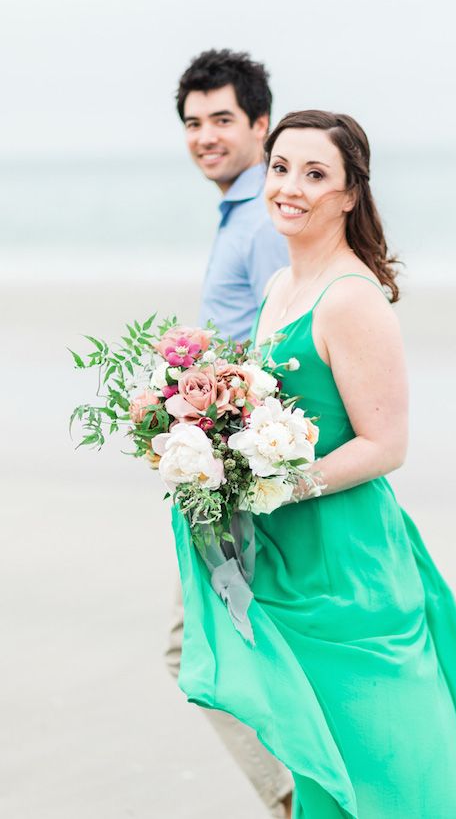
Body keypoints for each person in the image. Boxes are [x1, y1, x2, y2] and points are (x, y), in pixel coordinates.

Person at [172, 110, 456, 817]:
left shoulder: (350, 300)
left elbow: (387, 446)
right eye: (282, 168)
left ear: (351, 194)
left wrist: (272, 485)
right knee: (321, 760)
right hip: (288, 562)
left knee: (388, 758)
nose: (290, 187)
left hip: (350, 565)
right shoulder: (277, 291)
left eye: (316, 174)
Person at [166, 49, 292, 818]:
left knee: (201, 649)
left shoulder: (262, 222)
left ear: (260, 124)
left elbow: (289, 348)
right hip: (228, 467)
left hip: (252, 478)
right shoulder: (240, 217)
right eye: (192, 122)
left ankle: (296, 799)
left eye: (222, 120)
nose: (205, 136)